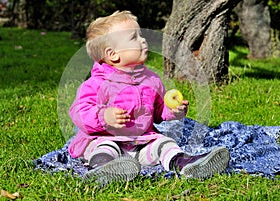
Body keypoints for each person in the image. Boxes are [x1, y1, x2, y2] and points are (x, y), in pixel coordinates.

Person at [68, 10, 230, 180]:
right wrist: (103, 117)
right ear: (112, 54)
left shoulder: (151, 79)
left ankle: (186, 164)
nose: (143, 40)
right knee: (105, 147)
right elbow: (79, 111)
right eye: (134, 37)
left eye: (141, 35)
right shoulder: (97, 84)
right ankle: (103, 169)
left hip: (142, 142)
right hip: (106, 138)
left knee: (164, 143)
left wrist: (172, 111)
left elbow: (158, 110)